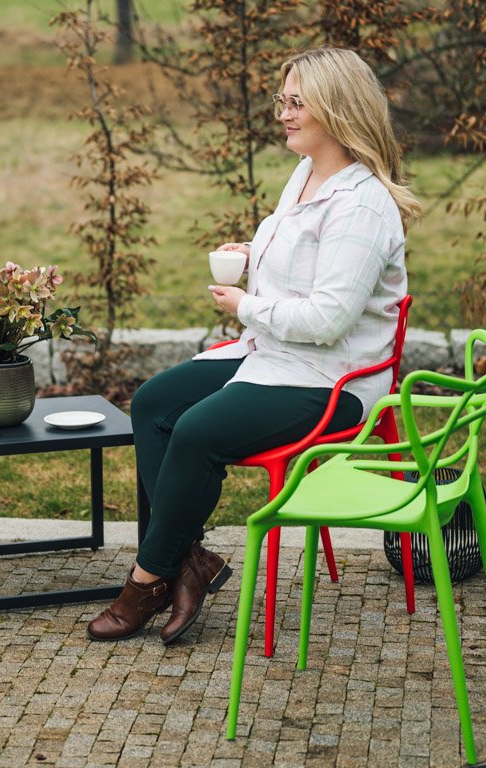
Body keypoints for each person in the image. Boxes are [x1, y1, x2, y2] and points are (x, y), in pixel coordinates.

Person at [87, 47, 422, 644]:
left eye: (296, 103)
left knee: (196, 432)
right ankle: (189, 561)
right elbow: (308, 264)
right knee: (154, 403)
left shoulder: (363, 206)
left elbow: (329, 318)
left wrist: (245, 305)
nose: (283, 114)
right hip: (275, 352)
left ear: (336, 109)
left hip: (332, 378)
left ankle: (147, 580)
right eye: (281, 100)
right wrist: (255, 257)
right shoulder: (307, 174)